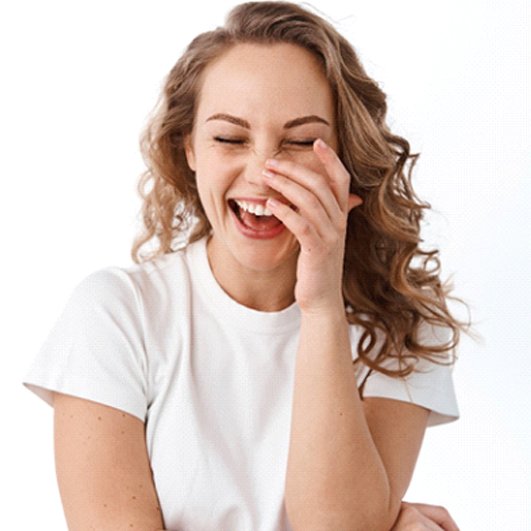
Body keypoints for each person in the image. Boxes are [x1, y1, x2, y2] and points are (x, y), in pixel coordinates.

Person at [22, 1, 473, 529]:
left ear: (346, 156)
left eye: (303, 141)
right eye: (230, 138)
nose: (263, 173)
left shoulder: (400, 329)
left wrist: (323, 306)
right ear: (188, 146)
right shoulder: (115, 315)